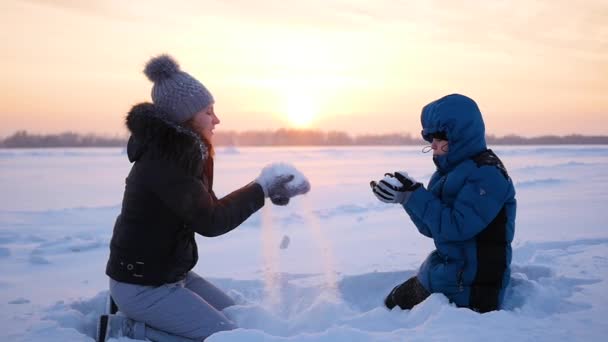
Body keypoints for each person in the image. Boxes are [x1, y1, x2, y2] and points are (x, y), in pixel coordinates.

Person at [97, 54, 309, 342]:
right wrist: (261, 188)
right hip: (142, 286)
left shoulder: (181, 153)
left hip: (168, 276)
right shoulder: (166, 160)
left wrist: (264, 189)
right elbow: (210, 222)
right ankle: (129, 329)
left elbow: (207, 208)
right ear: (187, 117)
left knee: (240, 317)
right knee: (230, 338)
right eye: (208, 111)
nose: (217, 119)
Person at [371, 94, 516, 313]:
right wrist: (405, 198)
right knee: (392, 302)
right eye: (432, 141)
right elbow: (432, 228)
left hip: (473, 287)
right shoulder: (449, 173)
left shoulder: (487, 175)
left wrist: (415, 196)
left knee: (396, 314)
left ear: (460, 137)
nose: (434, 148)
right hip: (451, 271)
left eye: (440, 141)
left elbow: (456, 227)